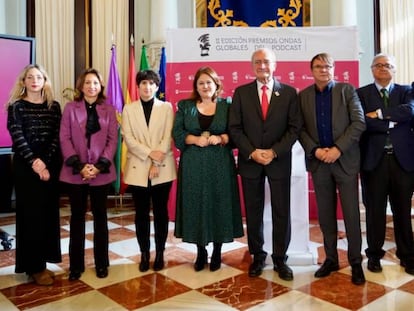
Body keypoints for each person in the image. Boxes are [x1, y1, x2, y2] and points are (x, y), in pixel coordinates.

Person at [228, 48, 300, 280]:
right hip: (251, 162)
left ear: (275, 65)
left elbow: (294, 128)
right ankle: (258, 255)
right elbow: (235, 128)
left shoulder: (289, 93)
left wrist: (274, 151)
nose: (262, 66)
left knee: (281, 210)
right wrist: (252, 152)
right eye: (257, 62)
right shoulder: (241, 93)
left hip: (278, 161)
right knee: (253, 211)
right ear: (252, 66)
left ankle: (280, 258)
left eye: (266, 62)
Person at [298, 53, 366, 285]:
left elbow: (359, 122)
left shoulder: (347, 91)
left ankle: (356, 262)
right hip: (319, 163)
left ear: (334, 69)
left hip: (345, 161)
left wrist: (337, 149)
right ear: (311, 70)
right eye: (318, 66)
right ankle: (331, 259)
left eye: (327, 66)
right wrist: (315, 150)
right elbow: (300, 129)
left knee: (350, 214)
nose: (323, 70)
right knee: (325, 215)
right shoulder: (304, 96)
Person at [173, 66, 243, 272]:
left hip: (220, 164)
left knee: (219, 203)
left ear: (216, 84)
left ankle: (218, 251)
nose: (205, 86)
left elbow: (237, 133)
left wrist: (222, 138)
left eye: (209, 82)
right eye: (201, 83)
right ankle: (201, 251)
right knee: (196, 204)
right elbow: (177, 133)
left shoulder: (227, 105)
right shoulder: (185, 106)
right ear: (196, 86)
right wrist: (195, 139)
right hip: (193, 165)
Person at [357, 53, 414, 275]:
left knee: (402, 211)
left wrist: (380, 114)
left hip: (403, 162)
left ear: (394, 69)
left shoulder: (406, 91)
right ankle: (373, 255)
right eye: (378, 65)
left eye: (387, 65)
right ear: (372, 69)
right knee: (375, 211)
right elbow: (363, 122)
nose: (383, 68)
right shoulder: (361, 93)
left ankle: (408, 256)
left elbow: (409, 111)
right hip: (374, 161)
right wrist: (394, 123)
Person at [59, 68, 118, 280]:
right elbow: (64, 138)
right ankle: (76, 266)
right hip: (75, 172)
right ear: (81, 86)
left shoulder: (109, 110)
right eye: (87, 83)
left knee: (101, 218)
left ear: (100, 86)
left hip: (101, 173)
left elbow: (113, 140)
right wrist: (80, 165)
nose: (91, 86)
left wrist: (99, 166)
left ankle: (102, 263)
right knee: (76, 218)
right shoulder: (70, 108)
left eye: (95, 83)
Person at [7, 64, 62, 286]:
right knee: (30, 216)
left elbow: (57, 137)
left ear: (44, 81)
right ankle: (33, 267)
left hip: (49, 166)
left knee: (47, 215)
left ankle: (43, 263)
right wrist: (35, 163)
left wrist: (45, 163)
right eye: (30, 77)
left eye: (38, 77)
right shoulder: (16, 107)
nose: (34, 80)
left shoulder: (54, 106)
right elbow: (17, 136)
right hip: (25, 167)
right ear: (23, 82)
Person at [122, 70, 176, 272]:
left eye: (151, 83)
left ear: (157, 86)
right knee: (141, 214)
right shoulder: (129, 109)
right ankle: (144, 253)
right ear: (138, 86)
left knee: (161, 213)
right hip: (138, 167)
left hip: (162, 167)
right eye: (143, 83)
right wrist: (150, 155)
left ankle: (160, 252)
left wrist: (156, 163)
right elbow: (129, 139)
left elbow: (167, 136)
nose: (147, 87)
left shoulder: (167, 107)